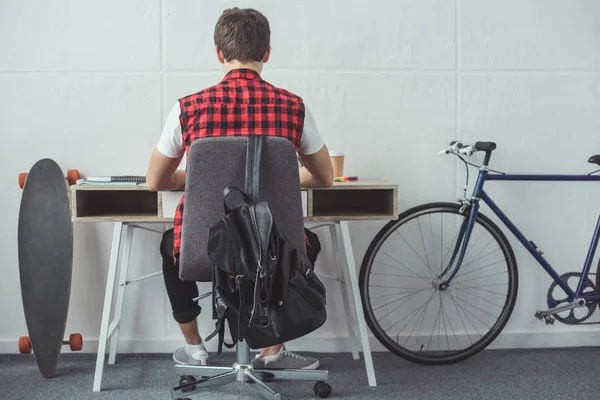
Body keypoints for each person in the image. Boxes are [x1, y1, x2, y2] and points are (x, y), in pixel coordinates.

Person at [145, 8, 334, 370]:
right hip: (272, 252)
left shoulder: (188, 108)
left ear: (219, 53)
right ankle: (272, 348)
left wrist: (196, 178)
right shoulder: (294, 107)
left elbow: (156, 181)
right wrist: (281, 180)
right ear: (267, 52)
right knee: (307, 244)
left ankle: (195, 348)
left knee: (171, 246)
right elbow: (325, 177)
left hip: (208, 250)